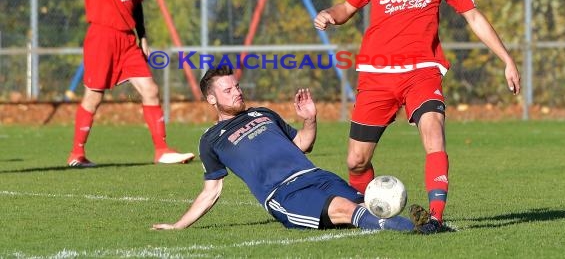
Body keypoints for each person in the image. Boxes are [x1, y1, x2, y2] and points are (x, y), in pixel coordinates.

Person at [313, 0, 521, 232]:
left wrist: (506, 59)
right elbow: (347, 6)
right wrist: (329, 15)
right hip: (377, 73)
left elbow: (473, 16)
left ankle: (435, 218)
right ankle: (372, 213)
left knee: (434, 131)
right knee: (356, 160)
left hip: (422, 70)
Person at [152, 66, 434, 233]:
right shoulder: (211, 139)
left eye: (237, 86)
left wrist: (310, 119)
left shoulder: (262, 113)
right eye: (228, 90)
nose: (237, 92)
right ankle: (414, 229)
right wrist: (179, 226)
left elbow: (302, 144)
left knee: (370, 205)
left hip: (318, 176)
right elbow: (211, 191)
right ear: (211, 99)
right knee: (345, 210)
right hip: (285, 194)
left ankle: (424, 225)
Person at [67, 0, 194, 167]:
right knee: (93, 97)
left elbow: (137, 7)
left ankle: (162, 150)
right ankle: (76, 154)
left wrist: (143, 37)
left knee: (151, 90)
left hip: (128, 41)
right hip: (102, 36)